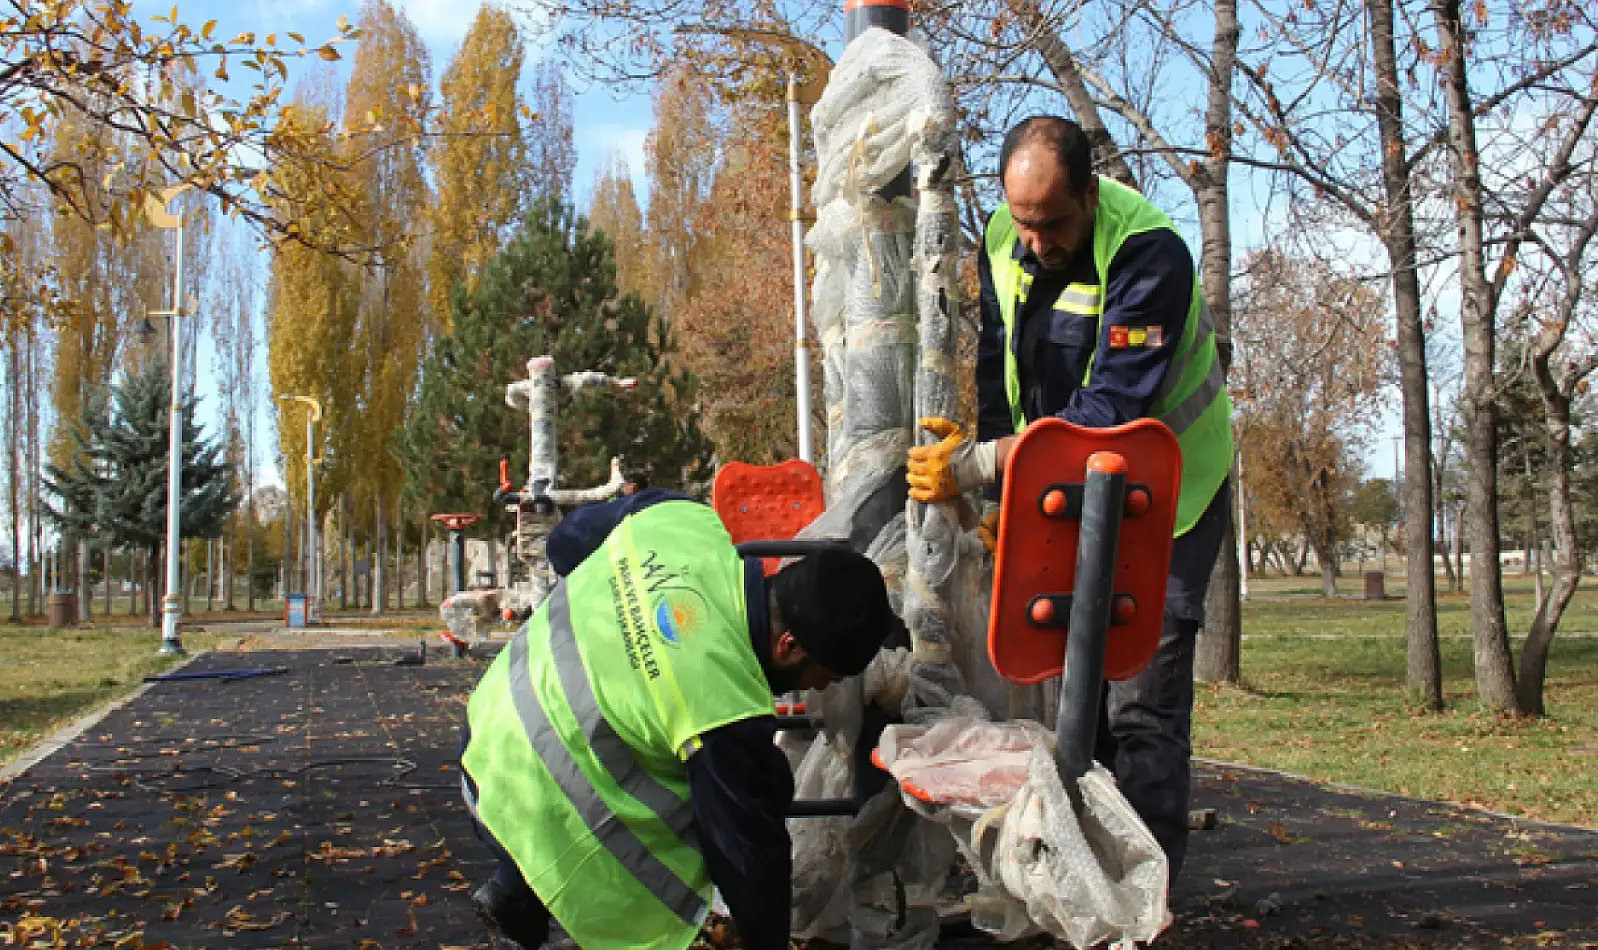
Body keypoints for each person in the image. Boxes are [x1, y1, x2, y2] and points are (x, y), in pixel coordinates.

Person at [905, 116, 1233, 879]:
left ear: (1090, 194)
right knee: (1064, 700)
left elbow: (1111, 417)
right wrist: (996, 509)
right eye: (1021, 221)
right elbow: (997, 367)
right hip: (1057, 490)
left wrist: (980, 467)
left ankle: (1142, 901)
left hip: (1167, 498)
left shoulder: (1149, 256)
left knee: (1141, 706)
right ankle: (1079, 879)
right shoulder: (1000, 237)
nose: (1033, 242)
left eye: (1051, 224)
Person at [460, 488, 899, 950]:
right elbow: (748, 857)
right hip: (530, 808)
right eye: (823, 677)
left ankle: (512, 891)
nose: (821, 690)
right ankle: (546, 896)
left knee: (637, 737)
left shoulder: (682, 521)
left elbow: (566, 542)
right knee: (729, 794)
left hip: (486, 741)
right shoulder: (723, 706)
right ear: (789, 645)